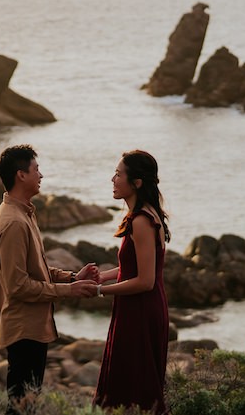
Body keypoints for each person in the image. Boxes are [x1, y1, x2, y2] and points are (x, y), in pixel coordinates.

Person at [0, 144, 99, 415]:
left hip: (33, 328)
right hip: (24, 329)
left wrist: (72, 277)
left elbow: (35, 270)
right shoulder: (14, 222)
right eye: (36, 169)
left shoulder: (24, 213)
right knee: (20, 408)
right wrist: (69, 291)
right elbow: (18, 286)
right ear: (21, 175)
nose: (41, 175)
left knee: (26, 405)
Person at [94, 150, 171, 414]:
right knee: (131, 385)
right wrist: (102, 275)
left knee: (133, 390)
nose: (112, 179)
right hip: (138, 307)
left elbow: (145, 280)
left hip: (140, 310)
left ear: (136, 182)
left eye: (118, 174)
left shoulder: (141, 220)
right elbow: (133, 267)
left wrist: (99, 291)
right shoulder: (146, 215)